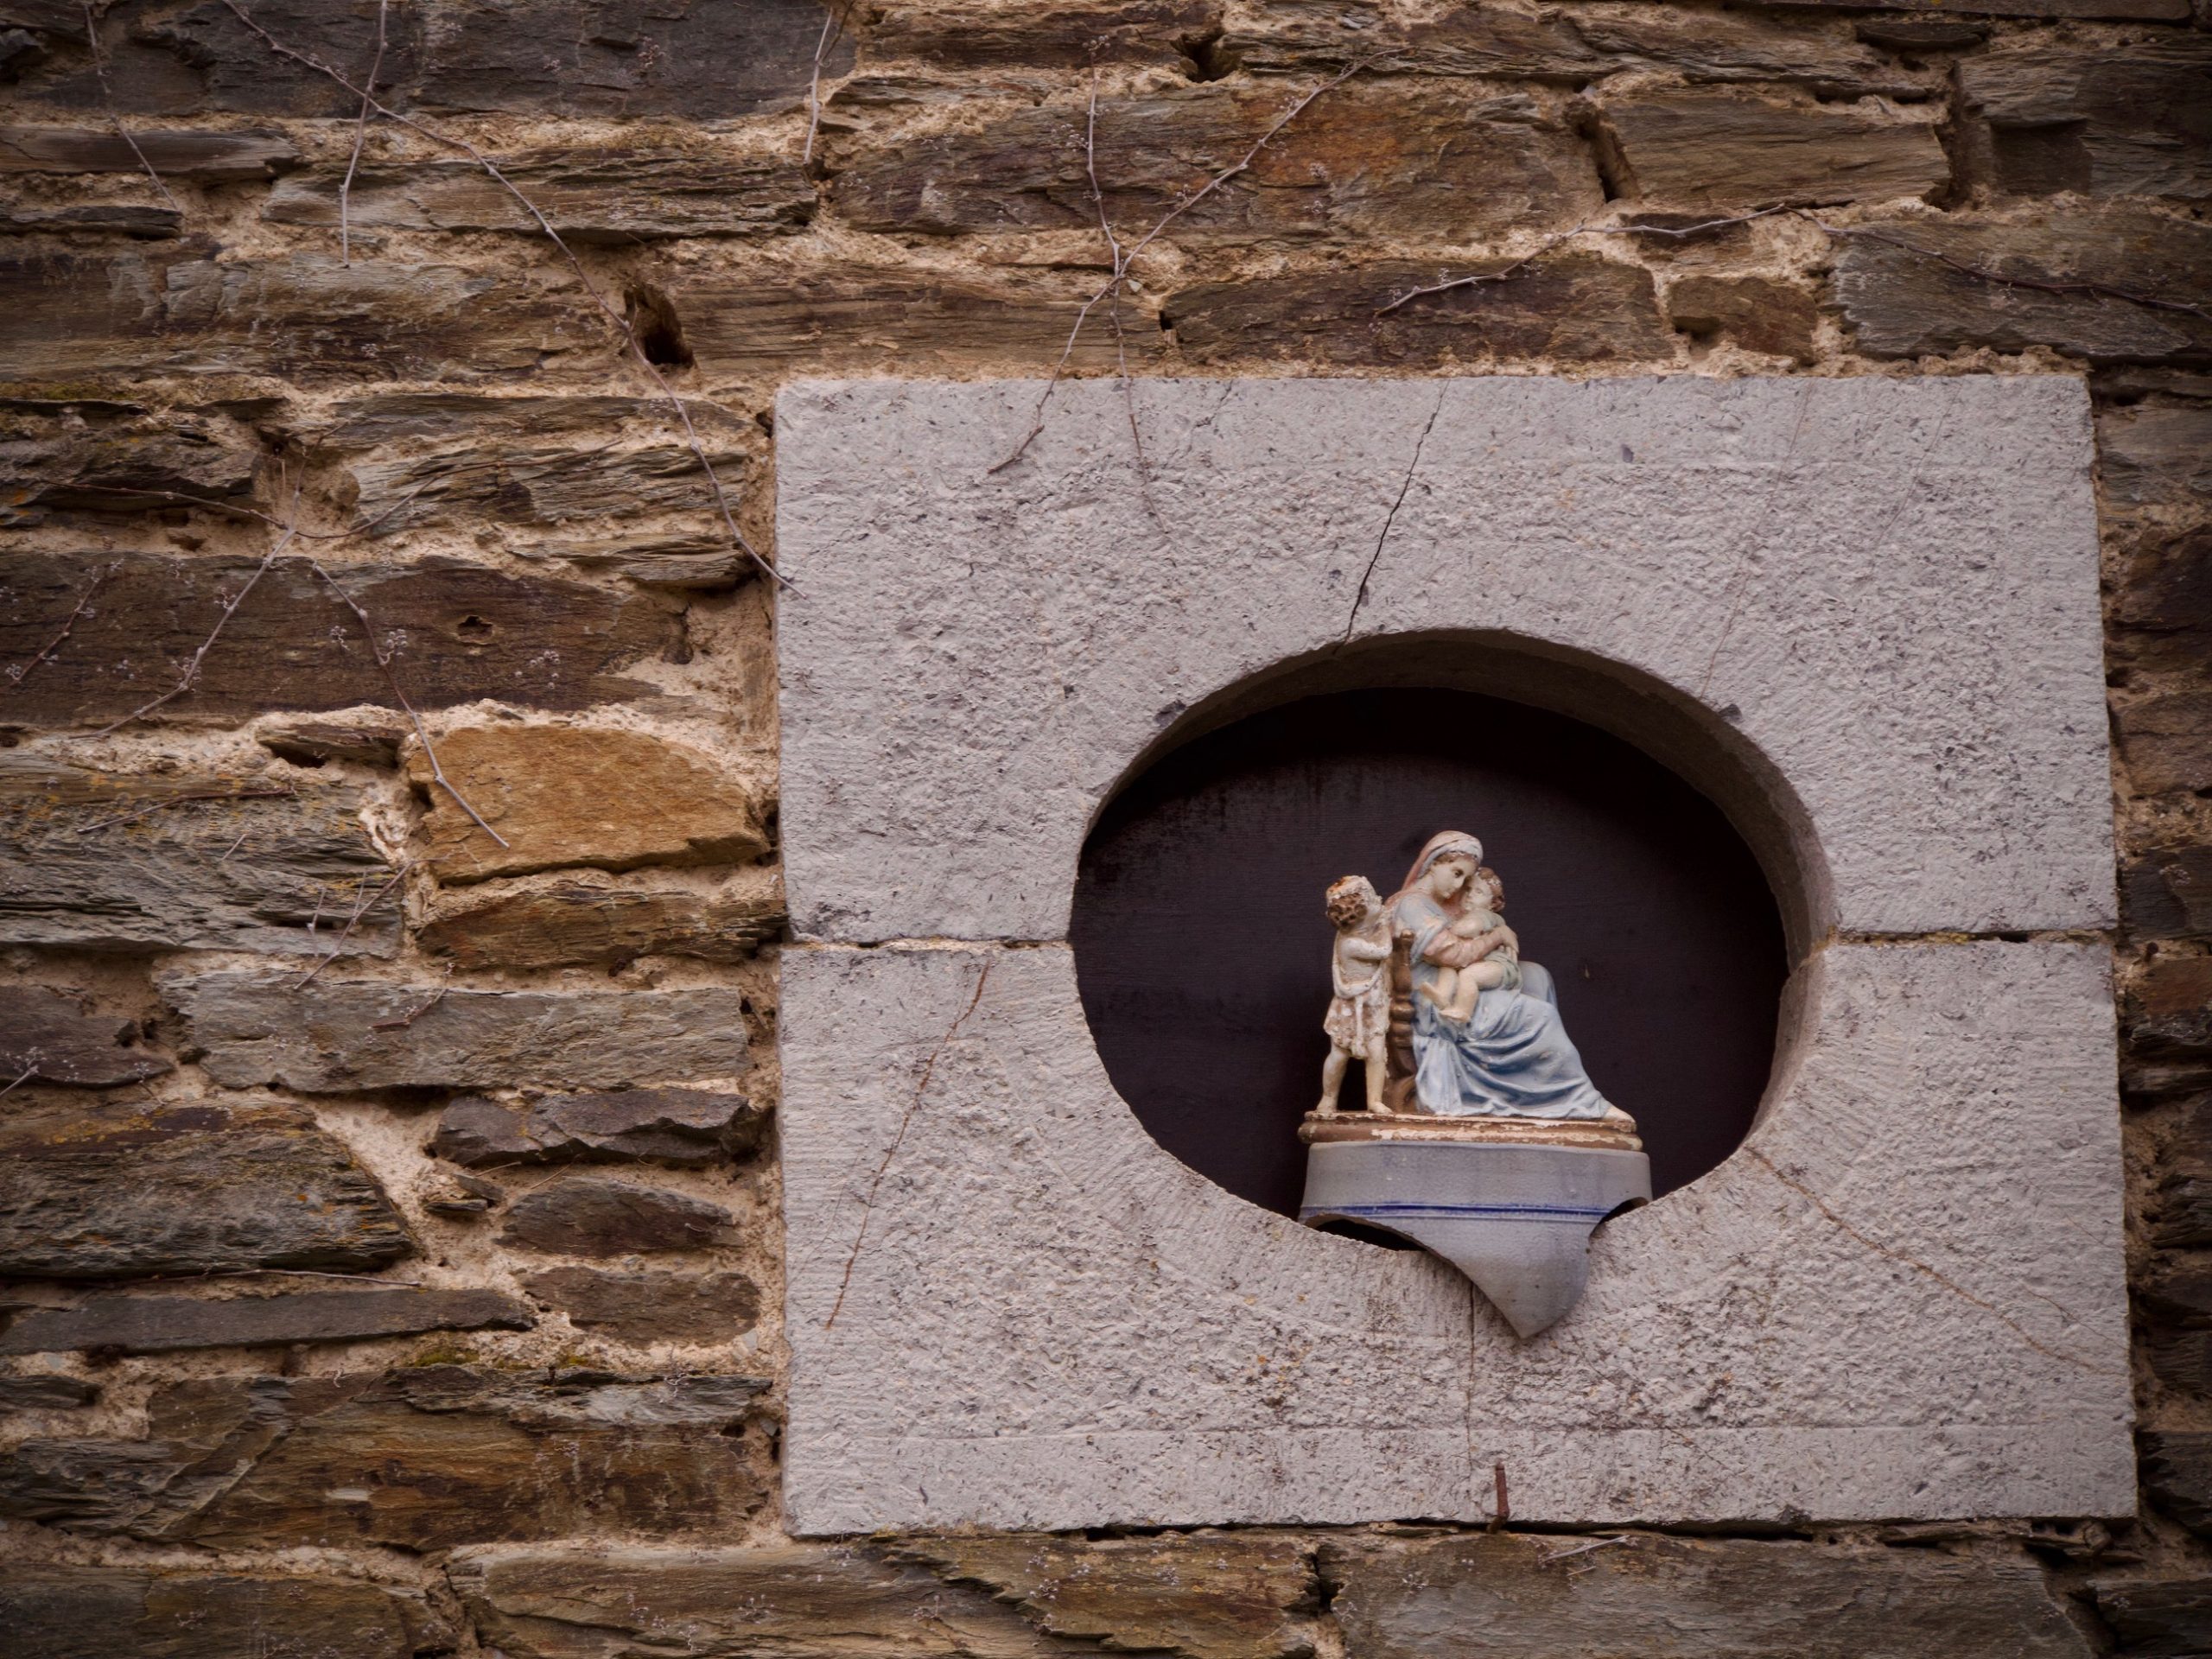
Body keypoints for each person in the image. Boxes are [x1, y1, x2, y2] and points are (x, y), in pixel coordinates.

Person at [1385, 831, 1620, 1122]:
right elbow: (1453, 955)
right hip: (1432, 997)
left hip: (1459, 983)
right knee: (1540, 1016)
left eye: (1466, 880)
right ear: (1434, 863)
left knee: (1537, 978)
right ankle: (1583, 1100)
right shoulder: (1412, 904)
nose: (1459, 886)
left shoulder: (1445, 905)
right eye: (1456, 873)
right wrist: (1498, 935)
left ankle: (1541, 1097)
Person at [1317, 874, 1393, 1116]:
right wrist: (1386, 926)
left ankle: (1374, 1100)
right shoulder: (1351, 943)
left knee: (1377, 1052)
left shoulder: (1361, 934)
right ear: (1358, 912)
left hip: (1371, 1002)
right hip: (1350, 1005)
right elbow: (1385, 951)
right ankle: (1328, 1099)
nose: (1379, 901)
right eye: (1373, 900)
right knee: (1339, 1054)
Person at [1419, 864, 1518, 1023]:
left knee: (1469, 975)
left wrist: (1443, 928)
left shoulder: (1485, 915)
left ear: (1492, 903)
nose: (1470, 895)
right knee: (1447, 967)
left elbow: (1465, 929)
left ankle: (1462, 1010)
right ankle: (1442, 995)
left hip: (1498, 965)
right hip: (1472, 961)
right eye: (1468, 889)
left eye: (1478, 892)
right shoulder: (1466, 915)